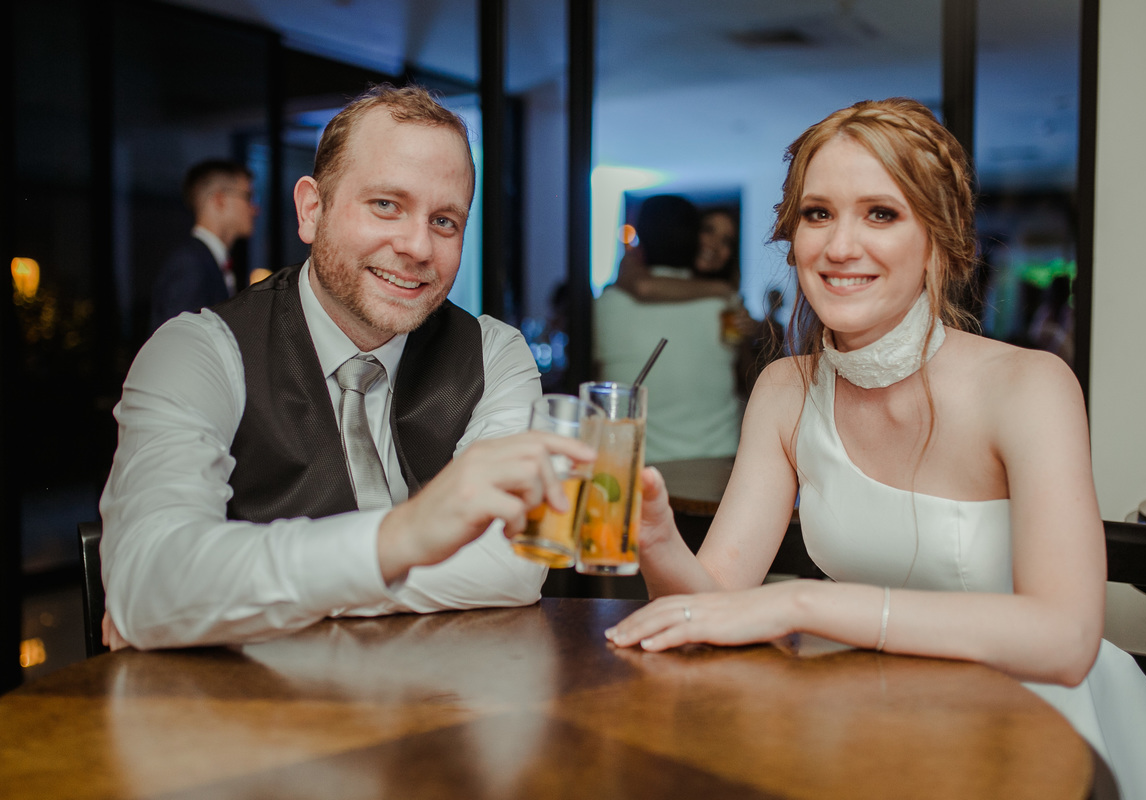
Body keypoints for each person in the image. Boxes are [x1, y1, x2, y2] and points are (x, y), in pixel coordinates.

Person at [607, 98, 1146, 798]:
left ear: (939, 243)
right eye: (818, 213)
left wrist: (802, 606)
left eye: (881, 214)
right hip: (863, 720)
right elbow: (710, 609)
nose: (839, 246)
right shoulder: (784, 389)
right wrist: (656, 538)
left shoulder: (1031, 387)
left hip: (1032, 731)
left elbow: (1066, 641)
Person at [100, 84, 591, 650]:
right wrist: (401, 539)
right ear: (312, 210)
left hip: (444, 693)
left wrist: (219, 598)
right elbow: (150, 582)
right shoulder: (196, 352)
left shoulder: (495, 353)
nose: (418, 247)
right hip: (254, 699)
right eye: (386, 204)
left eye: (444, 221)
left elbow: (512, 567)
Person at [593, 195, 741, 463]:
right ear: (694, 240)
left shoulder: (606, 304)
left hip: (638, 465)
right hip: (719, 461)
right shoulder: (724, 307)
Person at [149, 159, 258, 332]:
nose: (255, 209)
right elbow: (179, 340)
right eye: (248, 196)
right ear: (220, 200)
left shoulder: (203, 260)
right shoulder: (190, 265)